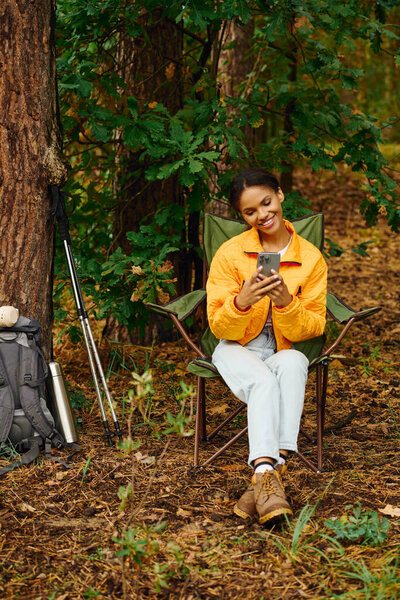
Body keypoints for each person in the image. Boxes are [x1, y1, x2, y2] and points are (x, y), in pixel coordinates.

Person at [206, 168, 327, 525]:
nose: (262, 215)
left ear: (280, 195)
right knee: (262, 380)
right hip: (236, 348)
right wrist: (241, 302)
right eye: (250, 212)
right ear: (242, 216)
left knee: (291, 363)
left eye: (267, 202)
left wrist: (288, 302)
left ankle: (263, 478)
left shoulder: (311, 259)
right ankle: (270, 470)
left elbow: (314, 325)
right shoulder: (231, 254)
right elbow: (219, 325)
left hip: (282, 348)